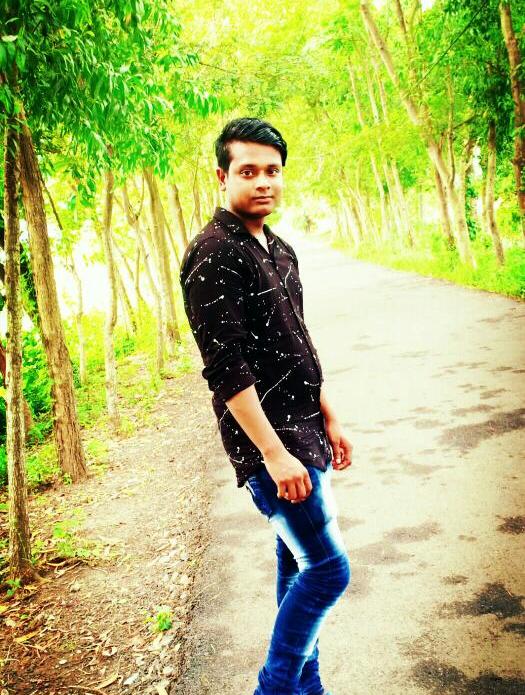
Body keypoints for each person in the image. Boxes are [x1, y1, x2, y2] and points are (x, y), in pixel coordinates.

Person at [179, 117, 353, 695]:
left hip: (307, 431)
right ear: (222, 176)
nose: (263, 182)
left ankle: (308, 689)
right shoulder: (212, 254)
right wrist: (274, 455)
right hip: (272, 445)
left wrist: (329, 413)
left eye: (272, 171)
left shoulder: (279, 249)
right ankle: (274, 689)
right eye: (248, 171)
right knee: (327, 571)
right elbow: (226, 368)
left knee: (299, 567)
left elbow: (296, 338)